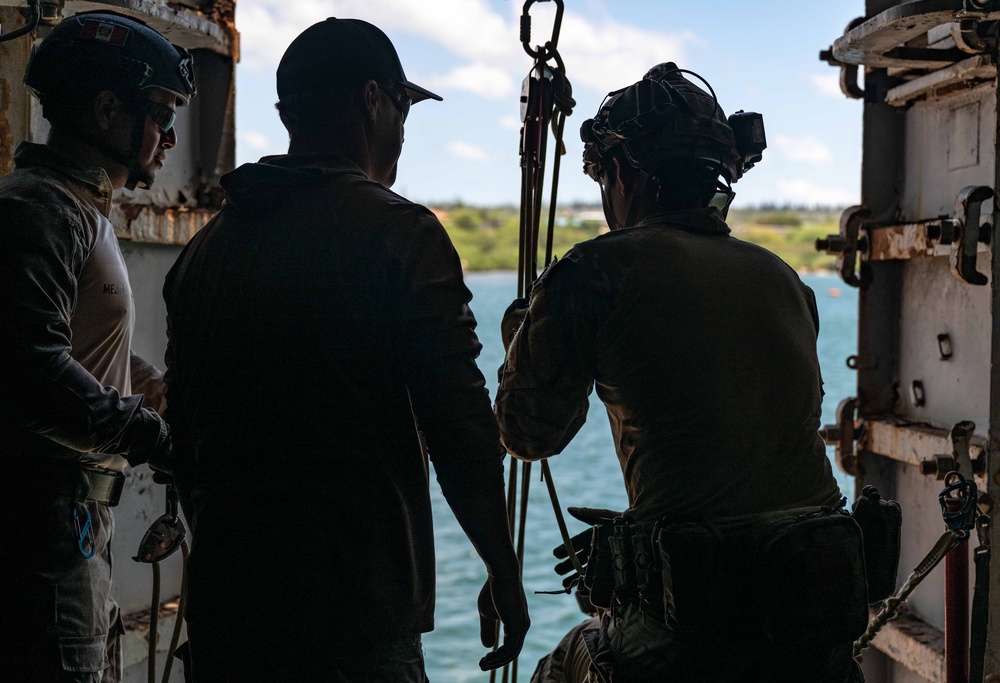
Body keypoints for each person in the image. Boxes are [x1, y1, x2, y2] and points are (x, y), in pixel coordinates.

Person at [162, 17, 529, 681]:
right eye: (401, 110)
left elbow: (184, 441)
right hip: (354, 619)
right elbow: (460, 427)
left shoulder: (204, 253)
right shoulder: (400, 234)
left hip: (228, 616)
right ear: (371, 101)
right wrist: (502, 568)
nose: (401, 134)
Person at [496, 63, 868, 683]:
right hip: (813, 616)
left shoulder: (597, 270)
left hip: (691, 642)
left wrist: (521, 339)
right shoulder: (785, 279)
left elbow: (527, 433)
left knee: (566, 662)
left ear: (624, 174)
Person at [0, 11, 195, 682]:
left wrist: (154, 390)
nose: (169, 139)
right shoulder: (38, 210)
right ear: (108, 107)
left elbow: (84, 352)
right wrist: (156, 437)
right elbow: (29, 365)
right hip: (43, 525)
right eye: (161, 115)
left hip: (78, 520)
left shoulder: (84, 212)